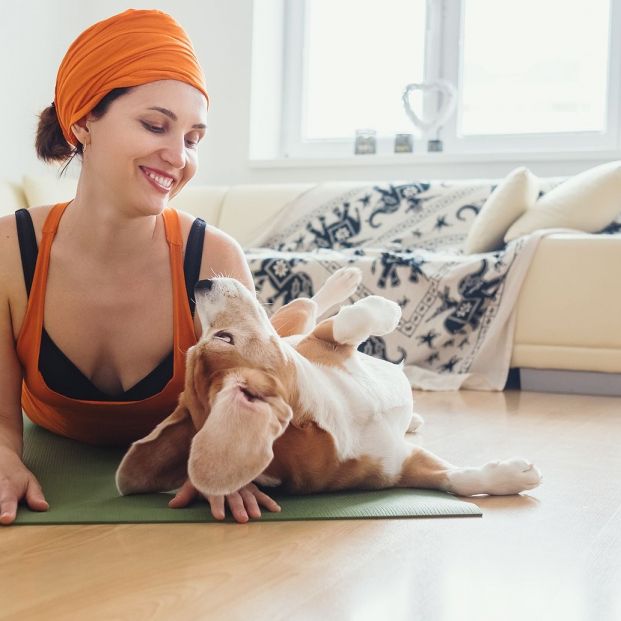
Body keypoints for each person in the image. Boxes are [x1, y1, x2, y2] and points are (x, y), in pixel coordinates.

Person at [0, 9, 279, 525]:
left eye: (193, 138)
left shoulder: (214, 260)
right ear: (83, 122)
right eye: (155, 125)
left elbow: (254, 393)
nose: (178, 156)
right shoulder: (9, 252)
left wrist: (229, 456)